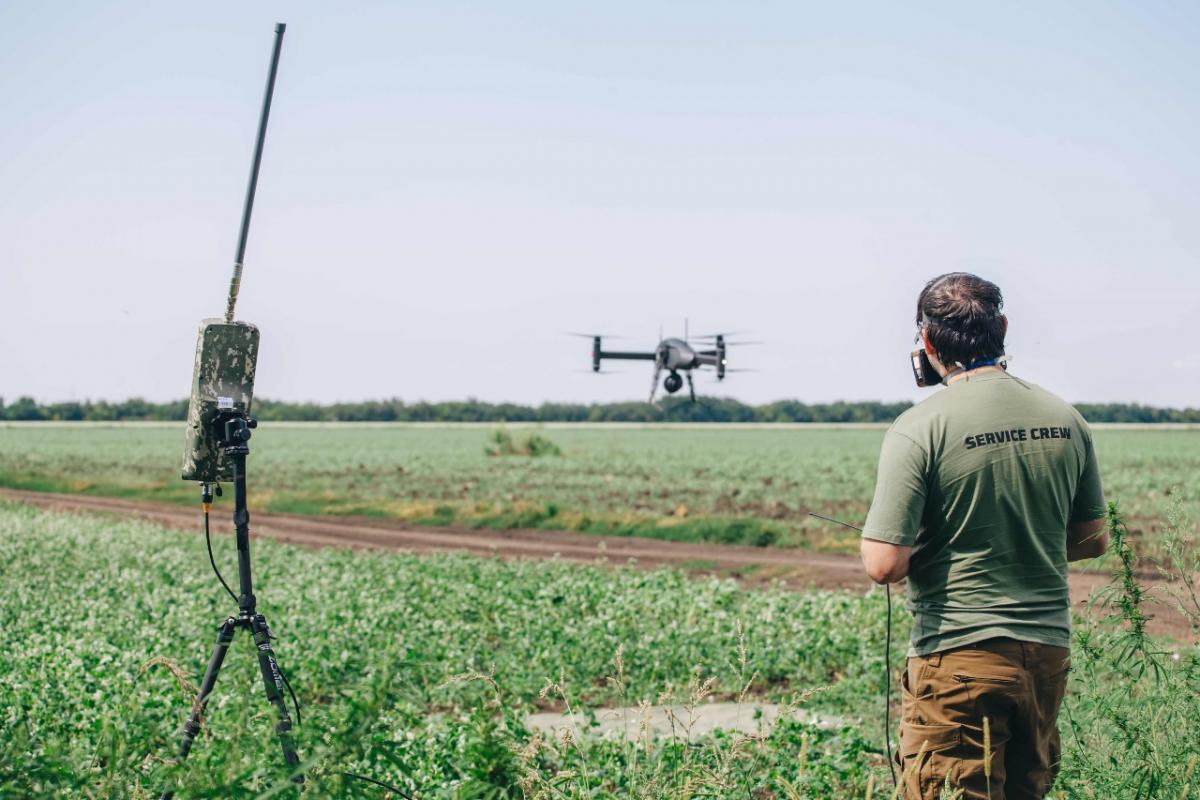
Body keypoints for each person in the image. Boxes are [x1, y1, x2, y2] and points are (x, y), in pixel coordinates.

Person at [859, 273, 1109, 800]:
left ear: (926, 344)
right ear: (1003, 328)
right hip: (1045, 653)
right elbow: (1092, 541)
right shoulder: (1066, 419)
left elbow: (883, 566)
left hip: (958, 656)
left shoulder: (918, 427)